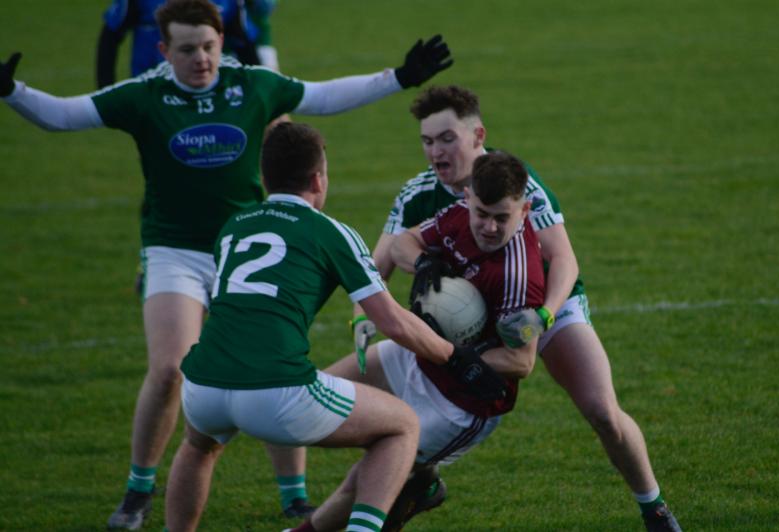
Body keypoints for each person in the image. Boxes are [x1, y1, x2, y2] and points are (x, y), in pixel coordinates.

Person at [0, 0, 453, 528]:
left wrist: (398, 77)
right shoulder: (146, 93)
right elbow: (64, 115)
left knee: (260, 352)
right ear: (163, 50)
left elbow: (324, 95)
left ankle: (295, 496)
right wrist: (14, 91)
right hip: (177, 250)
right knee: (173, 368)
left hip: (247, 238)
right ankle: (137, 490)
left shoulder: (250, 84)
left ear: (223, 43)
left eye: (210, 46)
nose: (201, 59)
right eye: (187, 49)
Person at [352, 85, 683, 531]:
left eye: (446, 138)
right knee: (383, 419)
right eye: (427, 141)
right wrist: (416, 271)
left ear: (476, 135)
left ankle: (654, 507)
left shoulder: (516, 182)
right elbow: (382, 263)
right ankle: (418, 478)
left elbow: (563, 259)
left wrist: (544, 316)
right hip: (474, 320)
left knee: (602, 410)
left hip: (544, 304)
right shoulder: (417, 191)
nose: (436, 151)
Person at [166, 121, 474, 532]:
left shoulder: (234, 227)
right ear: (317, 179)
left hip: (203, 385)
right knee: (403, 426)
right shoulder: (330, 230)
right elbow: (391, 321)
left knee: (197, 447)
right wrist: (454, 357)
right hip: (274, 391)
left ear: (264, 179)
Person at [286, 151, 547, 532]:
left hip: (460, 402)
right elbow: (403, 243)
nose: (489, 227)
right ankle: (420, 483)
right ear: (467, 198)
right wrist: (423, 262)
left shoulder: (519, 274)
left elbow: (521, 362)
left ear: (524, 211)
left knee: (372, 472)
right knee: (307, 404)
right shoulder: (459, 215)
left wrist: (456, 354)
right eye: (482, 213)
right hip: (413, 354)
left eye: (501, 218)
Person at [96, 0, 281, 89]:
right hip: (153, 90)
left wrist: (258, 88)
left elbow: (244, 43)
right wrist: (106, 87)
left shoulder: (228, 2)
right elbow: (110, 36)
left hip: (209, 88)